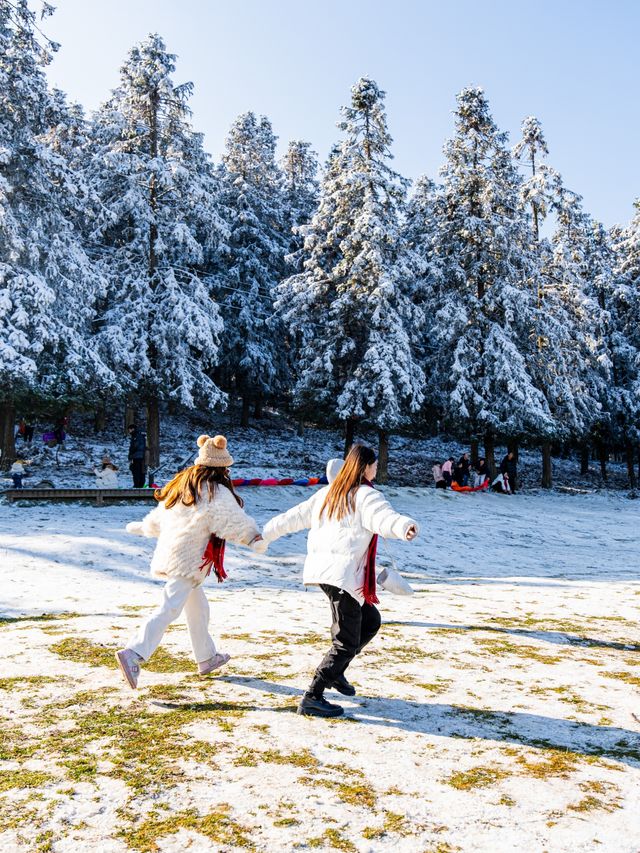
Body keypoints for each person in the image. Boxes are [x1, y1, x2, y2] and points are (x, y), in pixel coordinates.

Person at [261, 444, 419, 719]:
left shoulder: (328, 492)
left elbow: (292, 517)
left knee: (370, 621)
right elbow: (384, 517)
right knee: (346, 640)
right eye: (374, 465)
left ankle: (337, 672)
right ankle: (313, 696)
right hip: (341, 574)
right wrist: (404, 526)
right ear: (366, 467)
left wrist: (266, 533)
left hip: (331, 573)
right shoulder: (366, 495)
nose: (375, 470)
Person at [115, 434, 265, 689]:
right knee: (170, 607)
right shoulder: (214, 491)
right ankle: (134, 653)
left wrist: (145, 527)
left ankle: (206, 657)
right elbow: (230, 519)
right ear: (221, 468)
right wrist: (252, 537)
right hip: (191, 559)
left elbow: (162, 514)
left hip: (174, 553)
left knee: (198, 609)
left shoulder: (186, 486)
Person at [127, 424, 147, 488]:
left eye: (129, 429)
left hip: (137, 456)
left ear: (133, 429)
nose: (129, 431)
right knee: (140, 471)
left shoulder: (137, 436)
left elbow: (135, 446)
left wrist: (131, 454)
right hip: (140, 456)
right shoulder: (139, 435)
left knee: (136, 471)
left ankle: (137, 485)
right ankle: (139, 485)